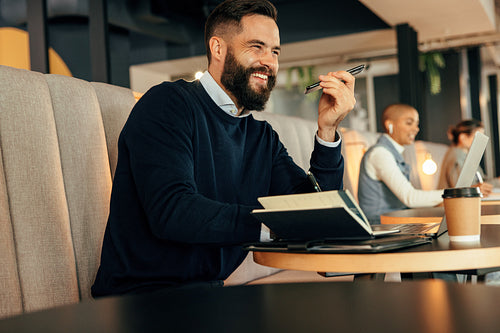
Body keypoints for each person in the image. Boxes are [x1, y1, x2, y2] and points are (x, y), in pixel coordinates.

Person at [91, 0, 356, 297]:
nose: (269, 62)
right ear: (218, 49)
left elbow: (316, 210)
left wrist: (328, 130)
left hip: (210, 297)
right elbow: (173, 212)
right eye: (256, 47)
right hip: (141, 299)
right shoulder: (167, 104)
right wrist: (278, 226)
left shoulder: (260, 136)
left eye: (275, 51)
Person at [357, 104, 443, 224]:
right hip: (379, 227)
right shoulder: (380, 154)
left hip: (393, 223)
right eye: (409, 123)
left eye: (416, 124)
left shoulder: (392, 153)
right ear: (389, 125)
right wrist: (454, 193)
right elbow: (410, 198)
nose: (416, 129)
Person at [438, 119, 496, 195]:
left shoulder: (467, 156)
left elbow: (481, 182)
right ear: (463, 138)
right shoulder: (456, 156)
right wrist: (477, 188)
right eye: (478, 137)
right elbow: (459, 189)